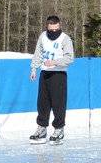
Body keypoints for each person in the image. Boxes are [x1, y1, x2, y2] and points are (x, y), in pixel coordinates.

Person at [29, 15, 75, 146]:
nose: (54, 32)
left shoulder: (65, 39)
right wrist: (34, 68)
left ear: (59, 26)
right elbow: (39, 53)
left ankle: (59, 129)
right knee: (42, 103)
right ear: (47, 27)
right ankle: (42, 128)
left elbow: (70, 58)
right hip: (45, 74)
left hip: (58, 74)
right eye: (51, 30)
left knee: (58, 103)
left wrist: (54, 62)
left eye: (56, 29)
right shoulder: (43, 37)